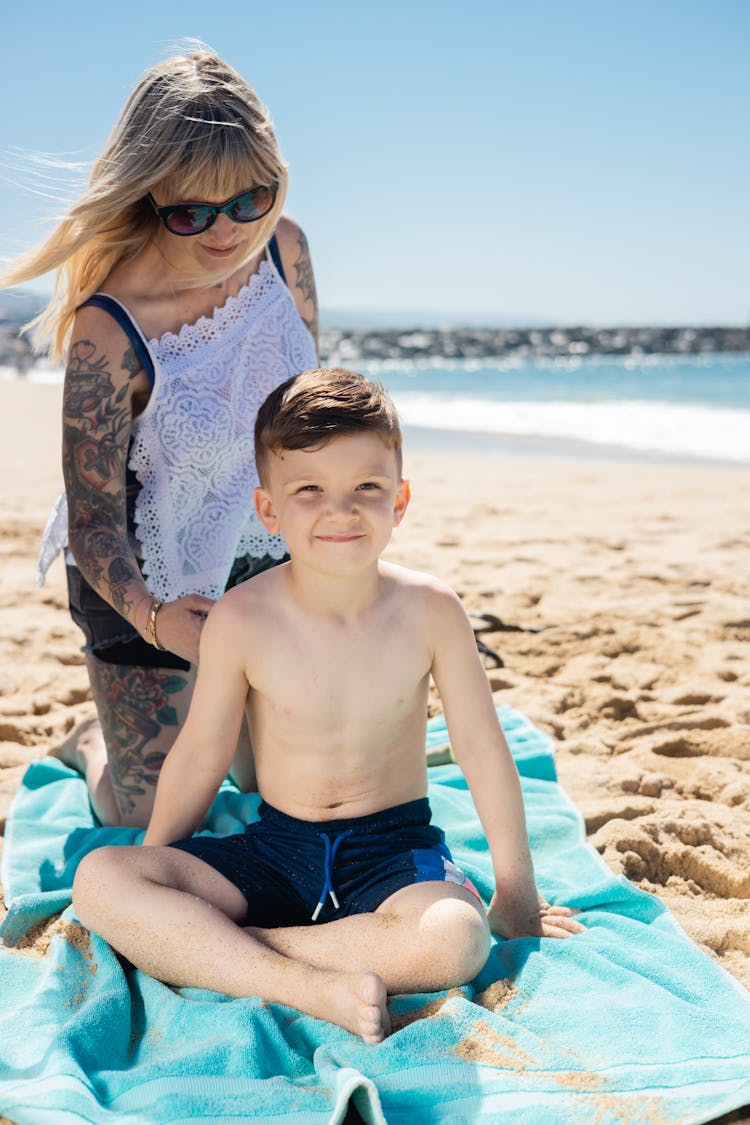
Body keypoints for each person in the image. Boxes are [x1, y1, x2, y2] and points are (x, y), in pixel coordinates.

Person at [72, 367, 584, 1044]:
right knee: (101, 878)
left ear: (399, 500)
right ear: (269, 510)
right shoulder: (243, 617)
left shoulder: (431, 610)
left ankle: (229, 951)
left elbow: (483, 748)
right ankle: (305, 983)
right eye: (308, 490)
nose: (339, 511)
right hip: (278, 846)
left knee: (458, 940)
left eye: (365, 488)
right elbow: (202, 751)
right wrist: (163, 863)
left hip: (394, 851)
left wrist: (514, 890)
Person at [0, 47, 318, 828]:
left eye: (252, 198)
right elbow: (95, 518)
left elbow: (307, 417)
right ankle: (91, 742)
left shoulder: (286, 248)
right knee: (153, 817)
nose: (228, 229)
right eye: (192, 212)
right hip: (146, 579)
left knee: (296, 787)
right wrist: (154, 616)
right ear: (149, 198)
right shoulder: (111, 327)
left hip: (261, 552)